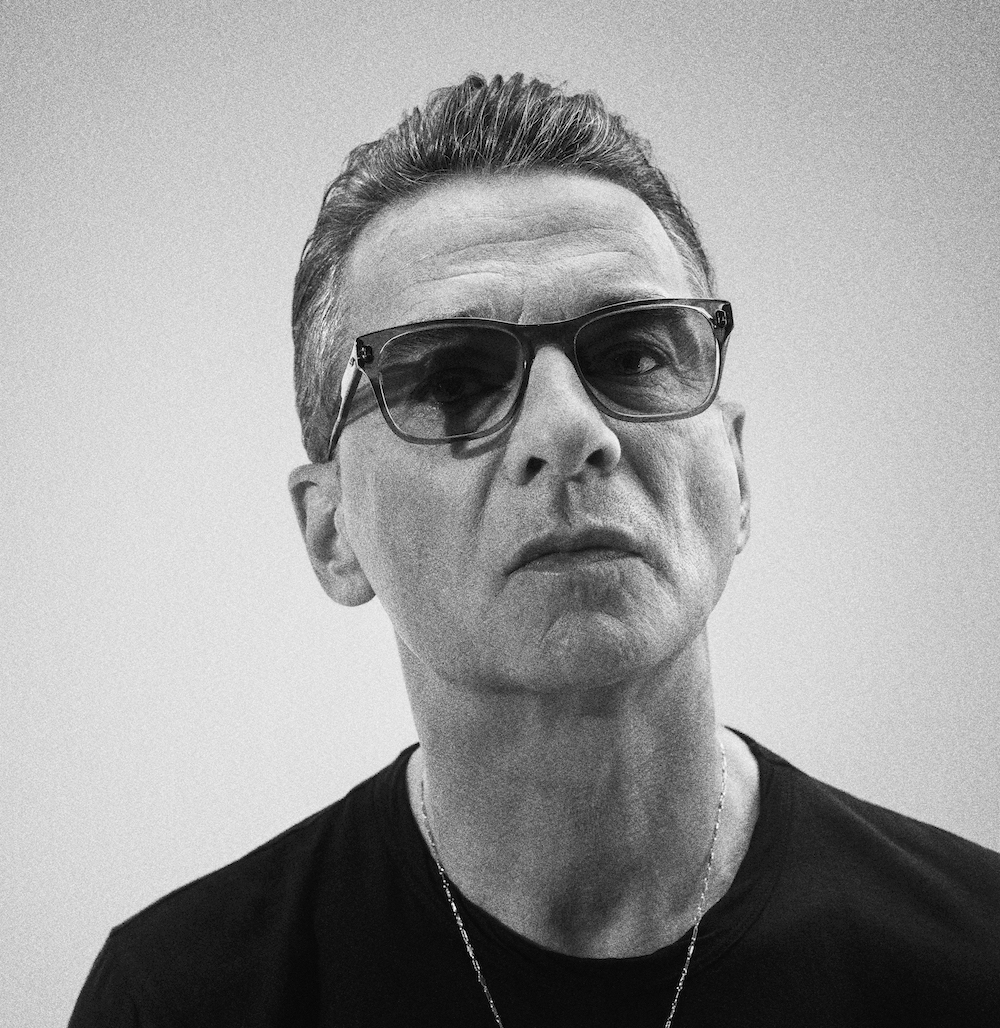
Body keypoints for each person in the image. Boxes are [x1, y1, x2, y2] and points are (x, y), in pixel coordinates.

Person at [69, 73, 1000, 1028]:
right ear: (332, 532)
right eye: (454, 379)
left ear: (736, 472)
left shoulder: (976, 963)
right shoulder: (182, 1001)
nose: (569, 430)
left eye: (633, 355)